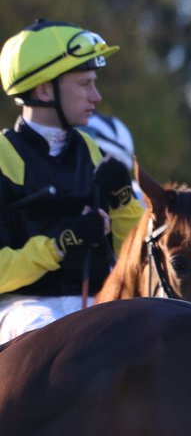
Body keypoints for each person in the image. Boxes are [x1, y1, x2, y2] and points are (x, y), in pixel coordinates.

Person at [0, 20, 145, 342]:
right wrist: (60, 244)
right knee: (49, 336)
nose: (96, 95)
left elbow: (135, 255)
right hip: (22, 310)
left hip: (98, 304)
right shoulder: (3, 156)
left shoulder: (92, 152)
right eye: (84, 84)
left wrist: (123, 201)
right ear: (43, 90)